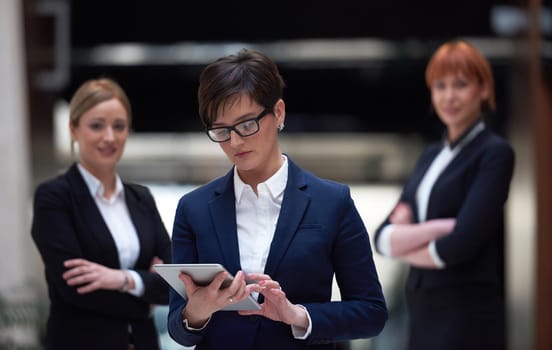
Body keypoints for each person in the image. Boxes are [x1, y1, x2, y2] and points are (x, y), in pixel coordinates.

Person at [166, 48, 387, 349]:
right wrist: (197, 311)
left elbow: (371, 312)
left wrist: (297, 315)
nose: (235, 142)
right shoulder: (194, 209)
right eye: (221, 130)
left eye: (246, 125)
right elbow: (178, 328)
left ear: (278, 112)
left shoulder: (332, 202)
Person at [374, 39, 515, 350]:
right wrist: (437, 229)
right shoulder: (430, 156)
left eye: (460, 84)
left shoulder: (494, 153)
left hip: (466, 311)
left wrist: (407, 237)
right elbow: (382, 237)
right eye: (440, 86)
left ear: (484, 90)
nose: (449, 96)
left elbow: (459, 245)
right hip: (422, 309)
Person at [31, 78, 172, 350]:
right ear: (73, 129)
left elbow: (177, 280)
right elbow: (75, 290)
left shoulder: (141, 198)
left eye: (118, 126)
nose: (109, 137)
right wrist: (146, 294)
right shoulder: (55, 197)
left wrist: (120, 279)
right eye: (97, 125)